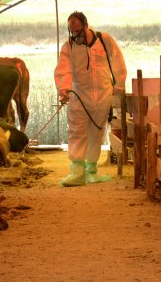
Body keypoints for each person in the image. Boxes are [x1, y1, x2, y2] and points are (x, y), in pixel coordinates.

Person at [54, 11, 127, 187]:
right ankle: (77, 171)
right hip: (79, 94)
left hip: (103, 94)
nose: (75, 35)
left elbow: (117, 61)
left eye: (78, 31)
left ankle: (91, 170)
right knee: (77, 130)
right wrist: (64, 88)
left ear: (86, 26)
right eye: (72, 32)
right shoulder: (68, 47)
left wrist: (119, 85)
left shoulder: (104, 40)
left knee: (97, 131)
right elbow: (64, 69)